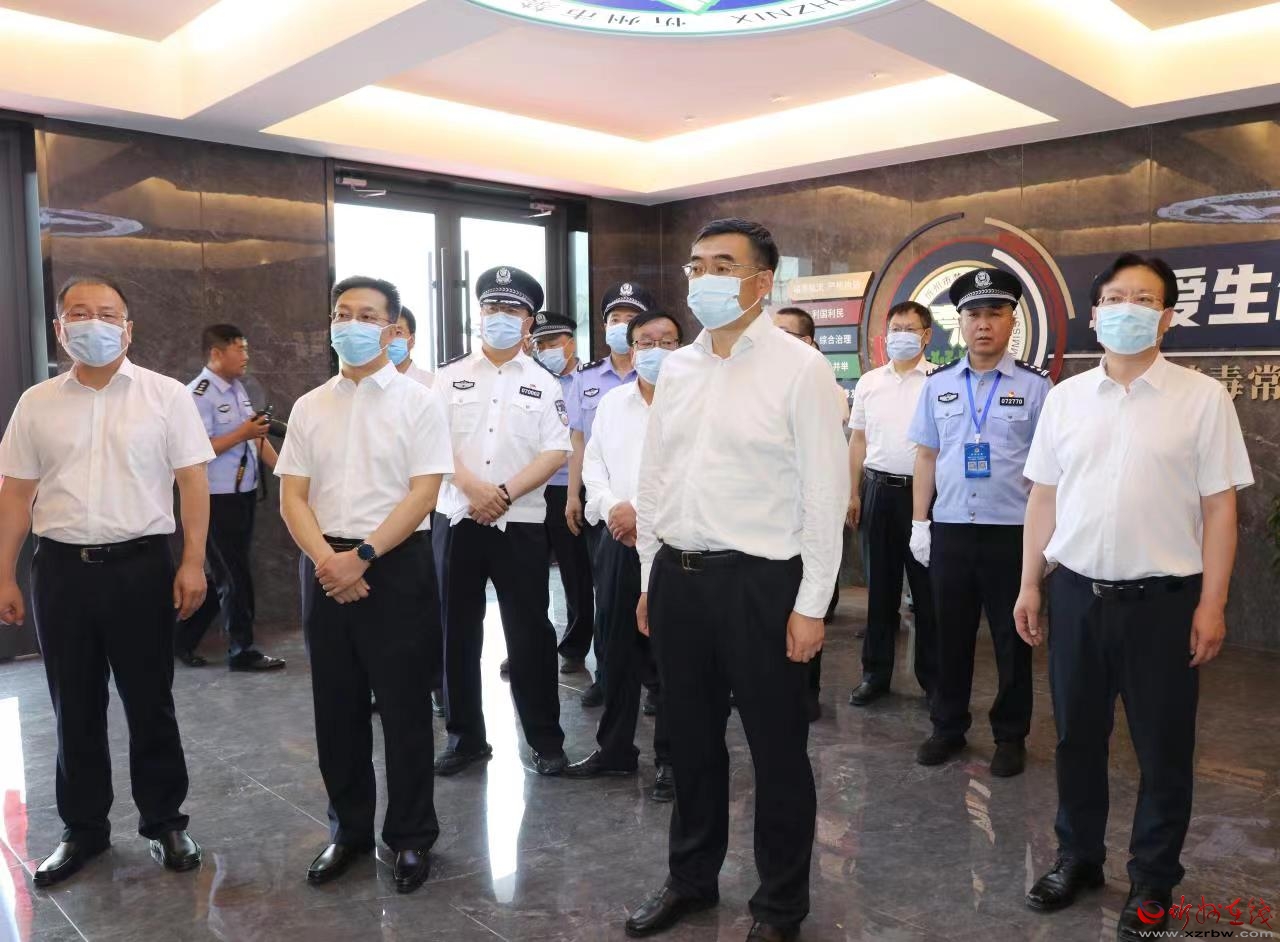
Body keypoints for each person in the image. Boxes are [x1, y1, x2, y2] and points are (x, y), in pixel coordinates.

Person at [1014, 254, 1253, 940]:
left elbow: (1219, 509)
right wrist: (1030, 583)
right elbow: (1043, 497)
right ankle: (1078, 857)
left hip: (1164, 604)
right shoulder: (1065, 399)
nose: (1127, 309)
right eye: (1115, 297)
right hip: (1077, 597)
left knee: (1163, 747)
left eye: (1143, 299)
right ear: (1094, 315)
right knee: (1075, 739)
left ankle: (1153, 878)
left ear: (1167, 316)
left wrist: (1212, 604)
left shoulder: (1202, 399)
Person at [626, 219, 849, 942]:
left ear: (762, 281)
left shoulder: (800, 368)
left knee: (777, 750)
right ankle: (691, 879)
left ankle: (780, 905)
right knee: (689, 742)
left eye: (723, 265)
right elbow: (656, 477)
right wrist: (649, 577)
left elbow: (823, 493)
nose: (705, 279)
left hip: (761, 585)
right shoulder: (677, 368)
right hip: (679, 578)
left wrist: (812, 603)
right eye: (696, 266)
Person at [0, 275, 210, 886]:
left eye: (107, 313)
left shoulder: (166, 395)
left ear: (128, 327)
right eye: (79, 313)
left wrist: (192, 560)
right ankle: (84, 829)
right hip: (61, 571)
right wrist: (4, 573)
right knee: (74, 705)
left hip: (141, 568)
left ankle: (165, 821)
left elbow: (193, 482)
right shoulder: (37, 402)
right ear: (60, 327)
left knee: (150, 699)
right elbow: (15, 494)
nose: (93, 322)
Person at [276, 275, 452, 894]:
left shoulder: (419, 402)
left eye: (368, 315)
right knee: (336, 708)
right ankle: (348, 831)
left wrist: (365, 556)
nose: (352, 324)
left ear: (392, 329)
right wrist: (330, 560)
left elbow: (423, 494)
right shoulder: (309, 406)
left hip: (395, 566)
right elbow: (292, 497)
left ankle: (410, 835)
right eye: (342, 313)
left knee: (404, 709)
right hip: (325, 565)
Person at [906, 267, 1051, 778]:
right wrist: (920, 523)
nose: (983, 324)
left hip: (1012, 534)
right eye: (973, 315)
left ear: (1012, 320)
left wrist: (1047, 538)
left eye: (995, 313)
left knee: (1014, 639)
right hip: (951, 529)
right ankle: (947, 726)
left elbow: (1050, 471)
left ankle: (1010, 736)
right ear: (960, 323)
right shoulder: (938, 385)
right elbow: (926, 456)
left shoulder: (1037, 387)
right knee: (949, 634)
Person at [432, 266, 572, 777]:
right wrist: (472, 488)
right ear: (479, 314)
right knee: (456, 631)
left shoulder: (543, 382)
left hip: (522, 523)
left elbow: (555, 450)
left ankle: (546, 740)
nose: (500, 317)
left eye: (511, 309)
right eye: (492, 308)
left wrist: (504, 494)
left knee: (530, 633)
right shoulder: (447, 376)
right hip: (457, 517)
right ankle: (466, 738)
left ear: (529, 320)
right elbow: (431, 442)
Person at [564, 310, 682, 802]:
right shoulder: (613, 403)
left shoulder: (695, 403)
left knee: (672, 654)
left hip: (673, 543)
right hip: (619, 540)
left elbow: (694, 473)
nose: (656, 350)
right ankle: (614, 749)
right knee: (614, 648)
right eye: (645, 342)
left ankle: (672, 758)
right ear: (632, 351)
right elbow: (594, 465)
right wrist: (615, 508)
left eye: (667, 341)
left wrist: (642, 514)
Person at [174, 324, 285, 672]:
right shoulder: (199, 395)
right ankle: (242, 650)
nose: (246, 356)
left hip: (242, 495)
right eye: (239, 349)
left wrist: (285, 472)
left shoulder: (237, 388)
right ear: (216, 353)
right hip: (214, 499)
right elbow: (197, 450)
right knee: (234, 575)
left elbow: (256, 437)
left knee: (225, 573)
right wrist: (242, 432)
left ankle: (179, 638)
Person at [566, 280, 654, 706]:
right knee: (609, 599)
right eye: (614, 319)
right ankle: (607, 677)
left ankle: (654, 681)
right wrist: (578, 496)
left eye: (630, 319)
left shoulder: (666, 376)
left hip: (656, 515)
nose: (621, 326)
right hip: (608, 512)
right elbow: (581, 443)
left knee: (655, 600)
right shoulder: (586, 378)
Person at [845, 301, 938, 706]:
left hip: (925, 497)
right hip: (878, 492)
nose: (901, 335)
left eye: (910, 329)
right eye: (895, 328)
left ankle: (933, 679)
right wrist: (852, 492)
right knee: (880, 590)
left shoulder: (939, 380)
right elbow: (857, 441)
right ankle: (875, 675)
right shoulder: (869, 382)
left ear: (926, 335)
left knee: (928, 593)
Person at [771, 305, 850, 720]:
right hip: (773, 524)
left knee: (808, 608)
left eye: (786, 334)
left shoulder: (823, 386)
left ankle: (807, 692)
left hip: (809, 521)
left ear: (808, 342)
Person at [530, 311, 594, 675]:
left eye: (552, 343)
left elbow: (581, 437)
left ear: (570, 342)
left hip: (570, 488)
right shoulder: (532, 380)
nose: (546, 350)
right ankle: (529, 644)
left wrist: (575, 494)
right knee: (528, 574)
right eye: (539, 344)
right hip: (531, 488)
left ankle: (575, 645)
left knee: (575, 571)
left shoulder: (588, 379)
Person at [388, 306, 435, 388]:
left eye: (397, 332)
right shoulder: (367, 384)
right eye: (384, 333)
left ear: (412, 340)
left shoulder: (433, 384)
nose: (389, 340)